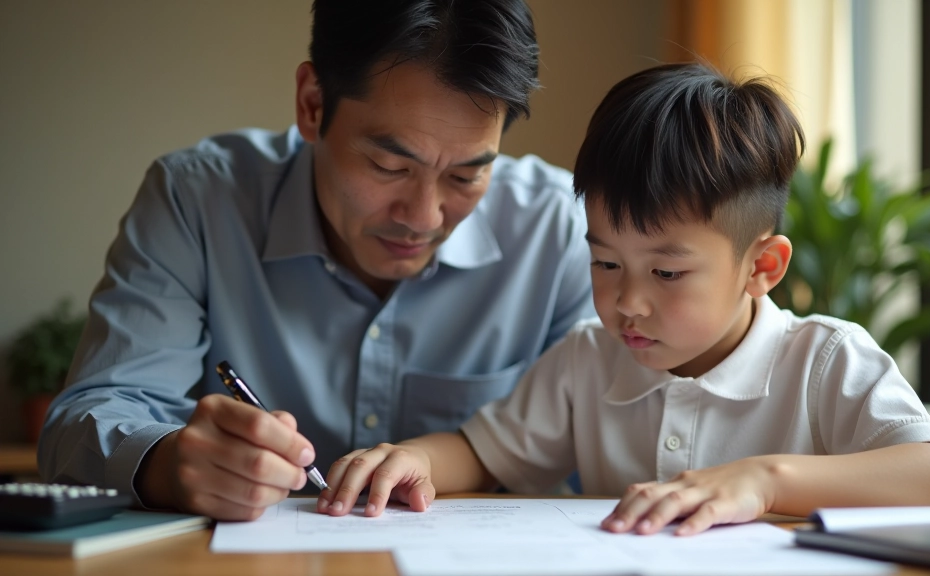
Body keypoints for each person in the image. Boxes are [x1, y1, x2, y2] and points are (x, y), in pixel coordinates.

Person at [316, 62, 930, 535]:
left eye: (667, 273)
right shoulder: (590, 358)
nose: (626, 302)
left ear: (762, 266)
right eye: (605, 260)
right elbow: (484, 453)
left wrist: (764, 481)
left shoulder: (823, 361)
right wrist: (414, 460)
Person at [38, 0, 595, 522]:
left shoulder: (562, 230)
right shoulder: (198, 201)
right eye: (388, 166)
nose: (424, 217)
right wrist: (166, 462)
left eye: (466, 175)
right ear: (312, 104)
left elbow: (620, 428)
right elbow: (87, 418)